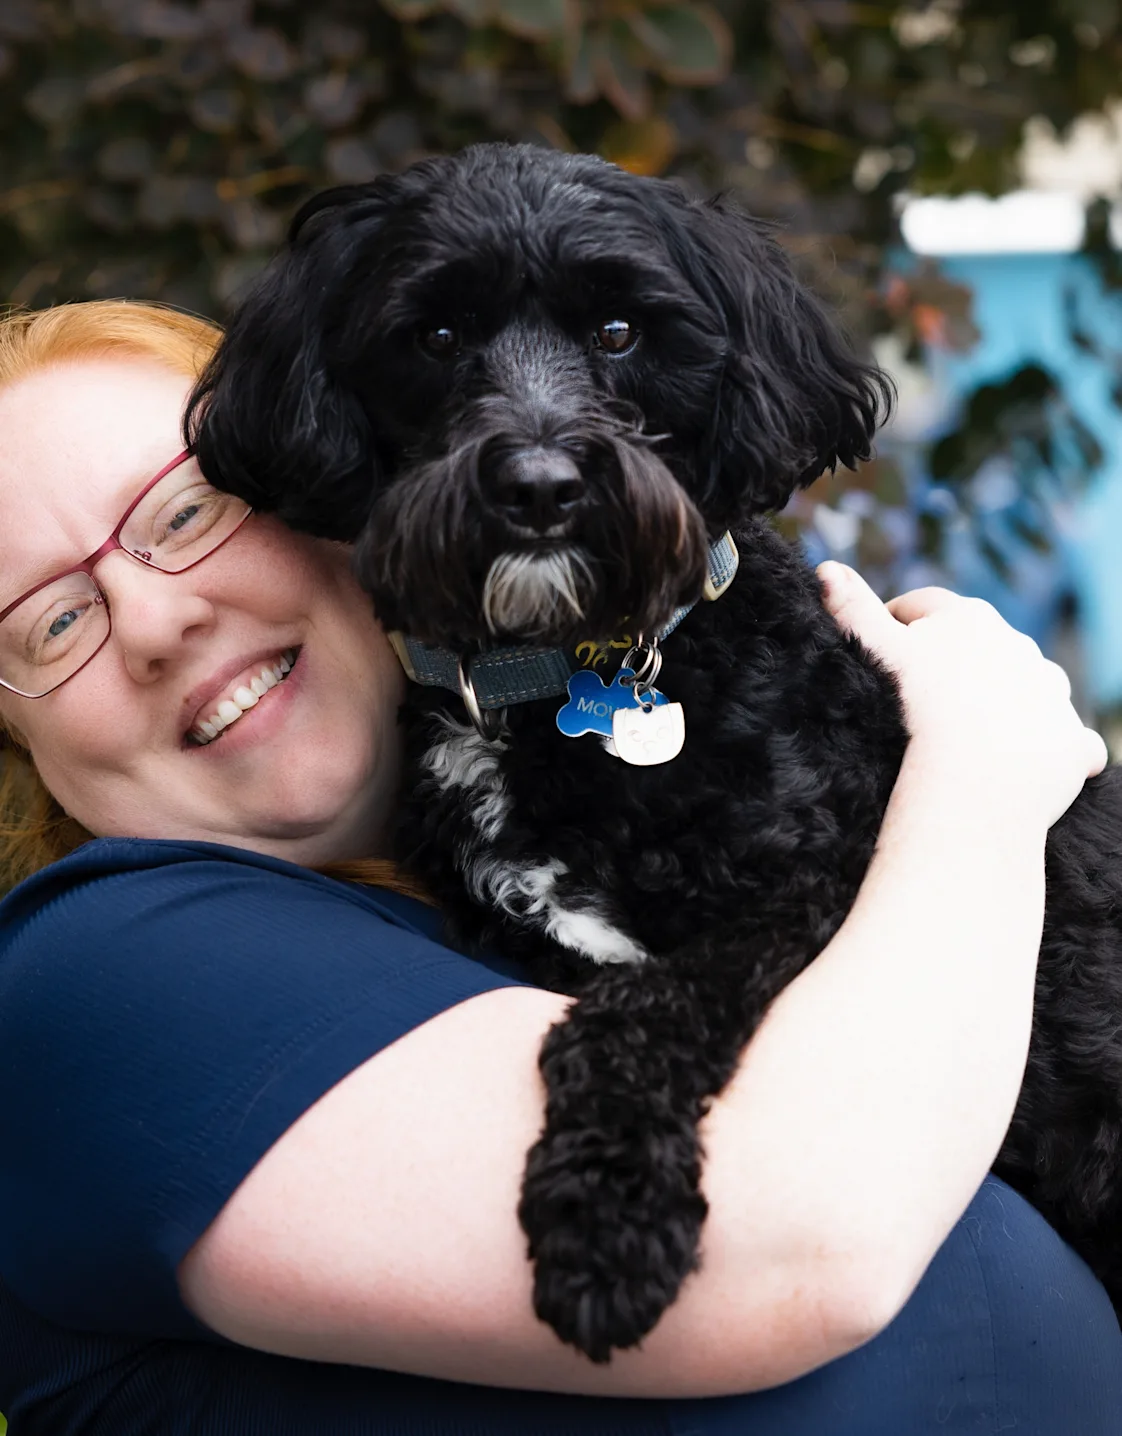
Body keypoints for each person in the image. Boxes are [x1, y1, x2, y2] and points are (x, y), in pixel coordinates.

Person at [0, 298, 1118, 1436]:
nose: (150, 618)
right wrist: (981, 772)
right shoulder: (95, 979)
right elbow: (804, 1247)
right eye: (48, 622)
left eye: (185, 512)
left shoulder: (574, 865)